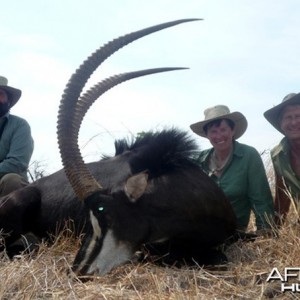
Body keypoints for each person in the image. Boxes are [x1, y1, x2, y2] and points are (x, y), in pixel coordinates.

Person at [190, 105, 274, 234]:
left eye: (223, 129)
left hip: (233, 233)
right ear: (207, 135)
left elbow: (261, 199)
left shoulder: (248, 155)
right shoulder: (198, 160)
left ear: (232, 130)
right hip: (199, 231)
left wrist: (265, 232)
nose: (219, 136)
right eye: (213, 131)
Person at [264, 92, 300, 225]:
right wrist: (275, 230)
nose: (294, 122)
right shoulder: (277, 155)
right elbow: (282, 194)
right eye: (288, 117)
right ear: (281, 124)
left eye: (298, 116)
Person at [0, 76, 34, 196]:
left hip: (4, 186)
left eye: (0, 94)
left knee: (12, 180)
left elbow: (17, 163)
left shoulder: (20, 125)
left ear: (8, 100)